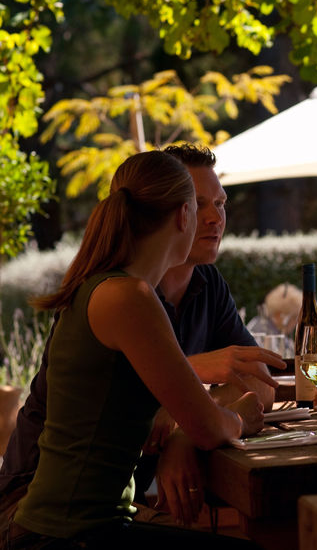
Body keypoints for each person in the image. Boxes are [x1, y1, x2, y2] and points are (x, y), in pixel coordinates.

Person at [0, 144, 286, 531]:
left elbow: (202, 411)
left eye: (220, 204)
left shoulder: (119, 289)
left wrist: (192, 423)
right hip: (60, 532)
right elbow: (206, 425)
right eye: (199, 204)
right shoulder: (128, 297)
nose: (214, 217)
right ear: (183, 215)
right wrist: (239, 419)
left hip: (83, 524)